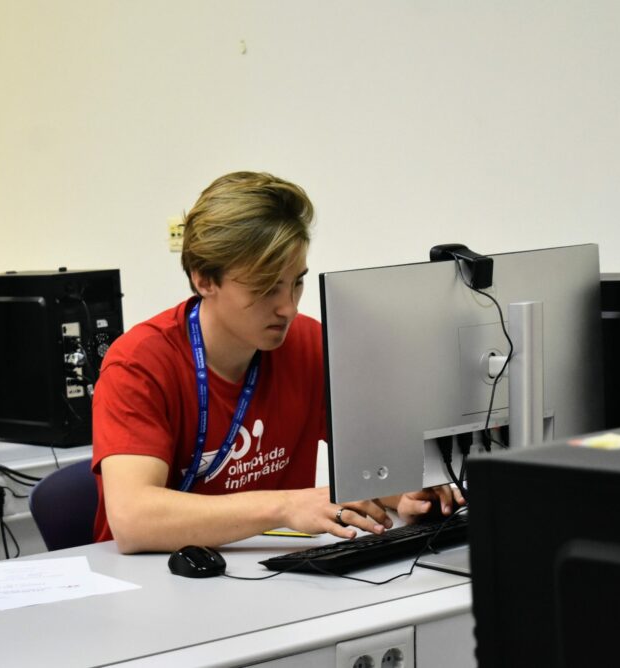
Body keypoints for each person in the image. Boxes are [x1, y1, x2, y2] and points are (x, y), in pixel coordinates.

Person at [92, 171, 463, 553]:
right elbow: (133, 521)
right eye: (266, 287)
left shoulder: (307, 344)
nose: (288, 307)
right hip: (151, 577)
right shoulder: (139, 365)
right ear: (204, 280)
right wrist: (285, 506)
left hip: (271, 572)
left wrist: (404, 494)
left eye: (296, 282)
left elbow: (368, 467)